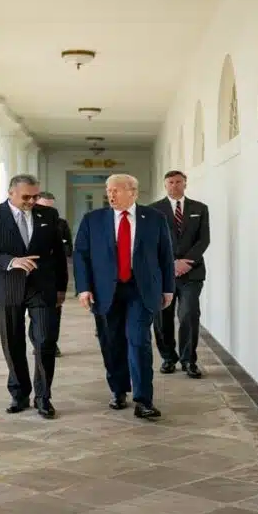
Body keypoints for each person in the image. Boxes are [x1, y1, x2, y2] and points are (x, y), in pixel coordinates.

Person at [73, 174, 174, 419]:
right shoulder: (92, 220)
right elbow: (81, 255)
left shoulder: (154, 218)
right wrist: (84, 288)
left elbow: (165, 255)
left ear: (133, 192)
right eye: (109, 190)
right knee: (112, 343)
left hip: (141, 290)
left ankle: (143, 400)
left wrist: (168, 288)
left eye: (116, 190)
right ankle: (118, 390)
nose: (111, 195)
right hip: (106, 292)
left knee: (139, 341)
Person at [0, 174, 68, 419]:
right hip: (6, 287)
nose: (32, 201)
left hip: (42, 287)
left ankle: (43, 397)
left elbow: (58, 254)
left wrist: (61, 288)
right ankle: (19, 393)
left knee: (45, 341)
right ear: (11, 192)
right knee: (12, 344)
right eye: (26, 196)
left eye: (35, 196)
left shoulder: (49, 215)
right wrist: (11, 261)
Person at [150, 170, 210, 378]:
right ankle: (168, 357)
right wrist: (171, 263)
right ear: (165, 185)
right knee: (162, 317)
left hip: (191, 273)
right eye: (170, 182)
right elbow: (151, 242)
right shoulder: (153, 210)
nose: (174, 185)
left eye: (178, 182)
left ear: (185, 184)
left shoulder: (199, 209)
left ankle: (188, 360)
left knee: (189, 314)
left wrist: (187, 262)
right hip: (163, 273)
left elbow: (204, 240)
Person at [36, 191, 72, 357]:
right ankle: (39, 343)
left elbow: (66, 247)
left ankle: (51, 343)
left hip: (53, 275)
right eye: (43, 206)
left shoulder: (60, 223)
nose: (47, 211)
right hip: (32, 276)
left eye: (50, 207)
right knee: (36, 318)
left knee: (53, 314)